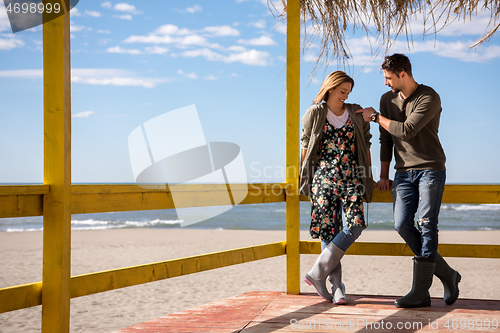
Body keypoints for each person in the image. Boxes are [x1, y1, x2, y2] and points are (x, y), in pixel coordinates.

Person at [356, 53, 461, 308]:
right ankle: (447, 273)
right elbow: (386, 139)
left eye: (389, 78)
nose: (385, 83)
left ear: (403, 74)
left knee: (426, 223)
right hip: (402, 173)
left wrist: (374, 117)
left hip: (430, 168)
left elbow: (406, 130)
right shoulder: (387, 99)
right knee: (402, 224)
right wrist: (383, 175)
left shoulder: (429, 97)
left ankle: (421, 292)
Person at [299, 71, 374, 303]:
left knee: (356, 225)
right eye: (342, 91)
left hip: (352, 178)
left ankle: (317, 273)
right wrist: (304, 180)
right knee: (328, 232)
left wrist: (368, 177)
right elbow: (305, 146)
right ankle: (337, 288)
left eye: (348, 92)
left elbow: (366, 144)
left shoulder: (355, 112)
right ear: (330, 88)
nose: (345, 96)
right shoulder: (315, 112)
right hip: (323, 179)